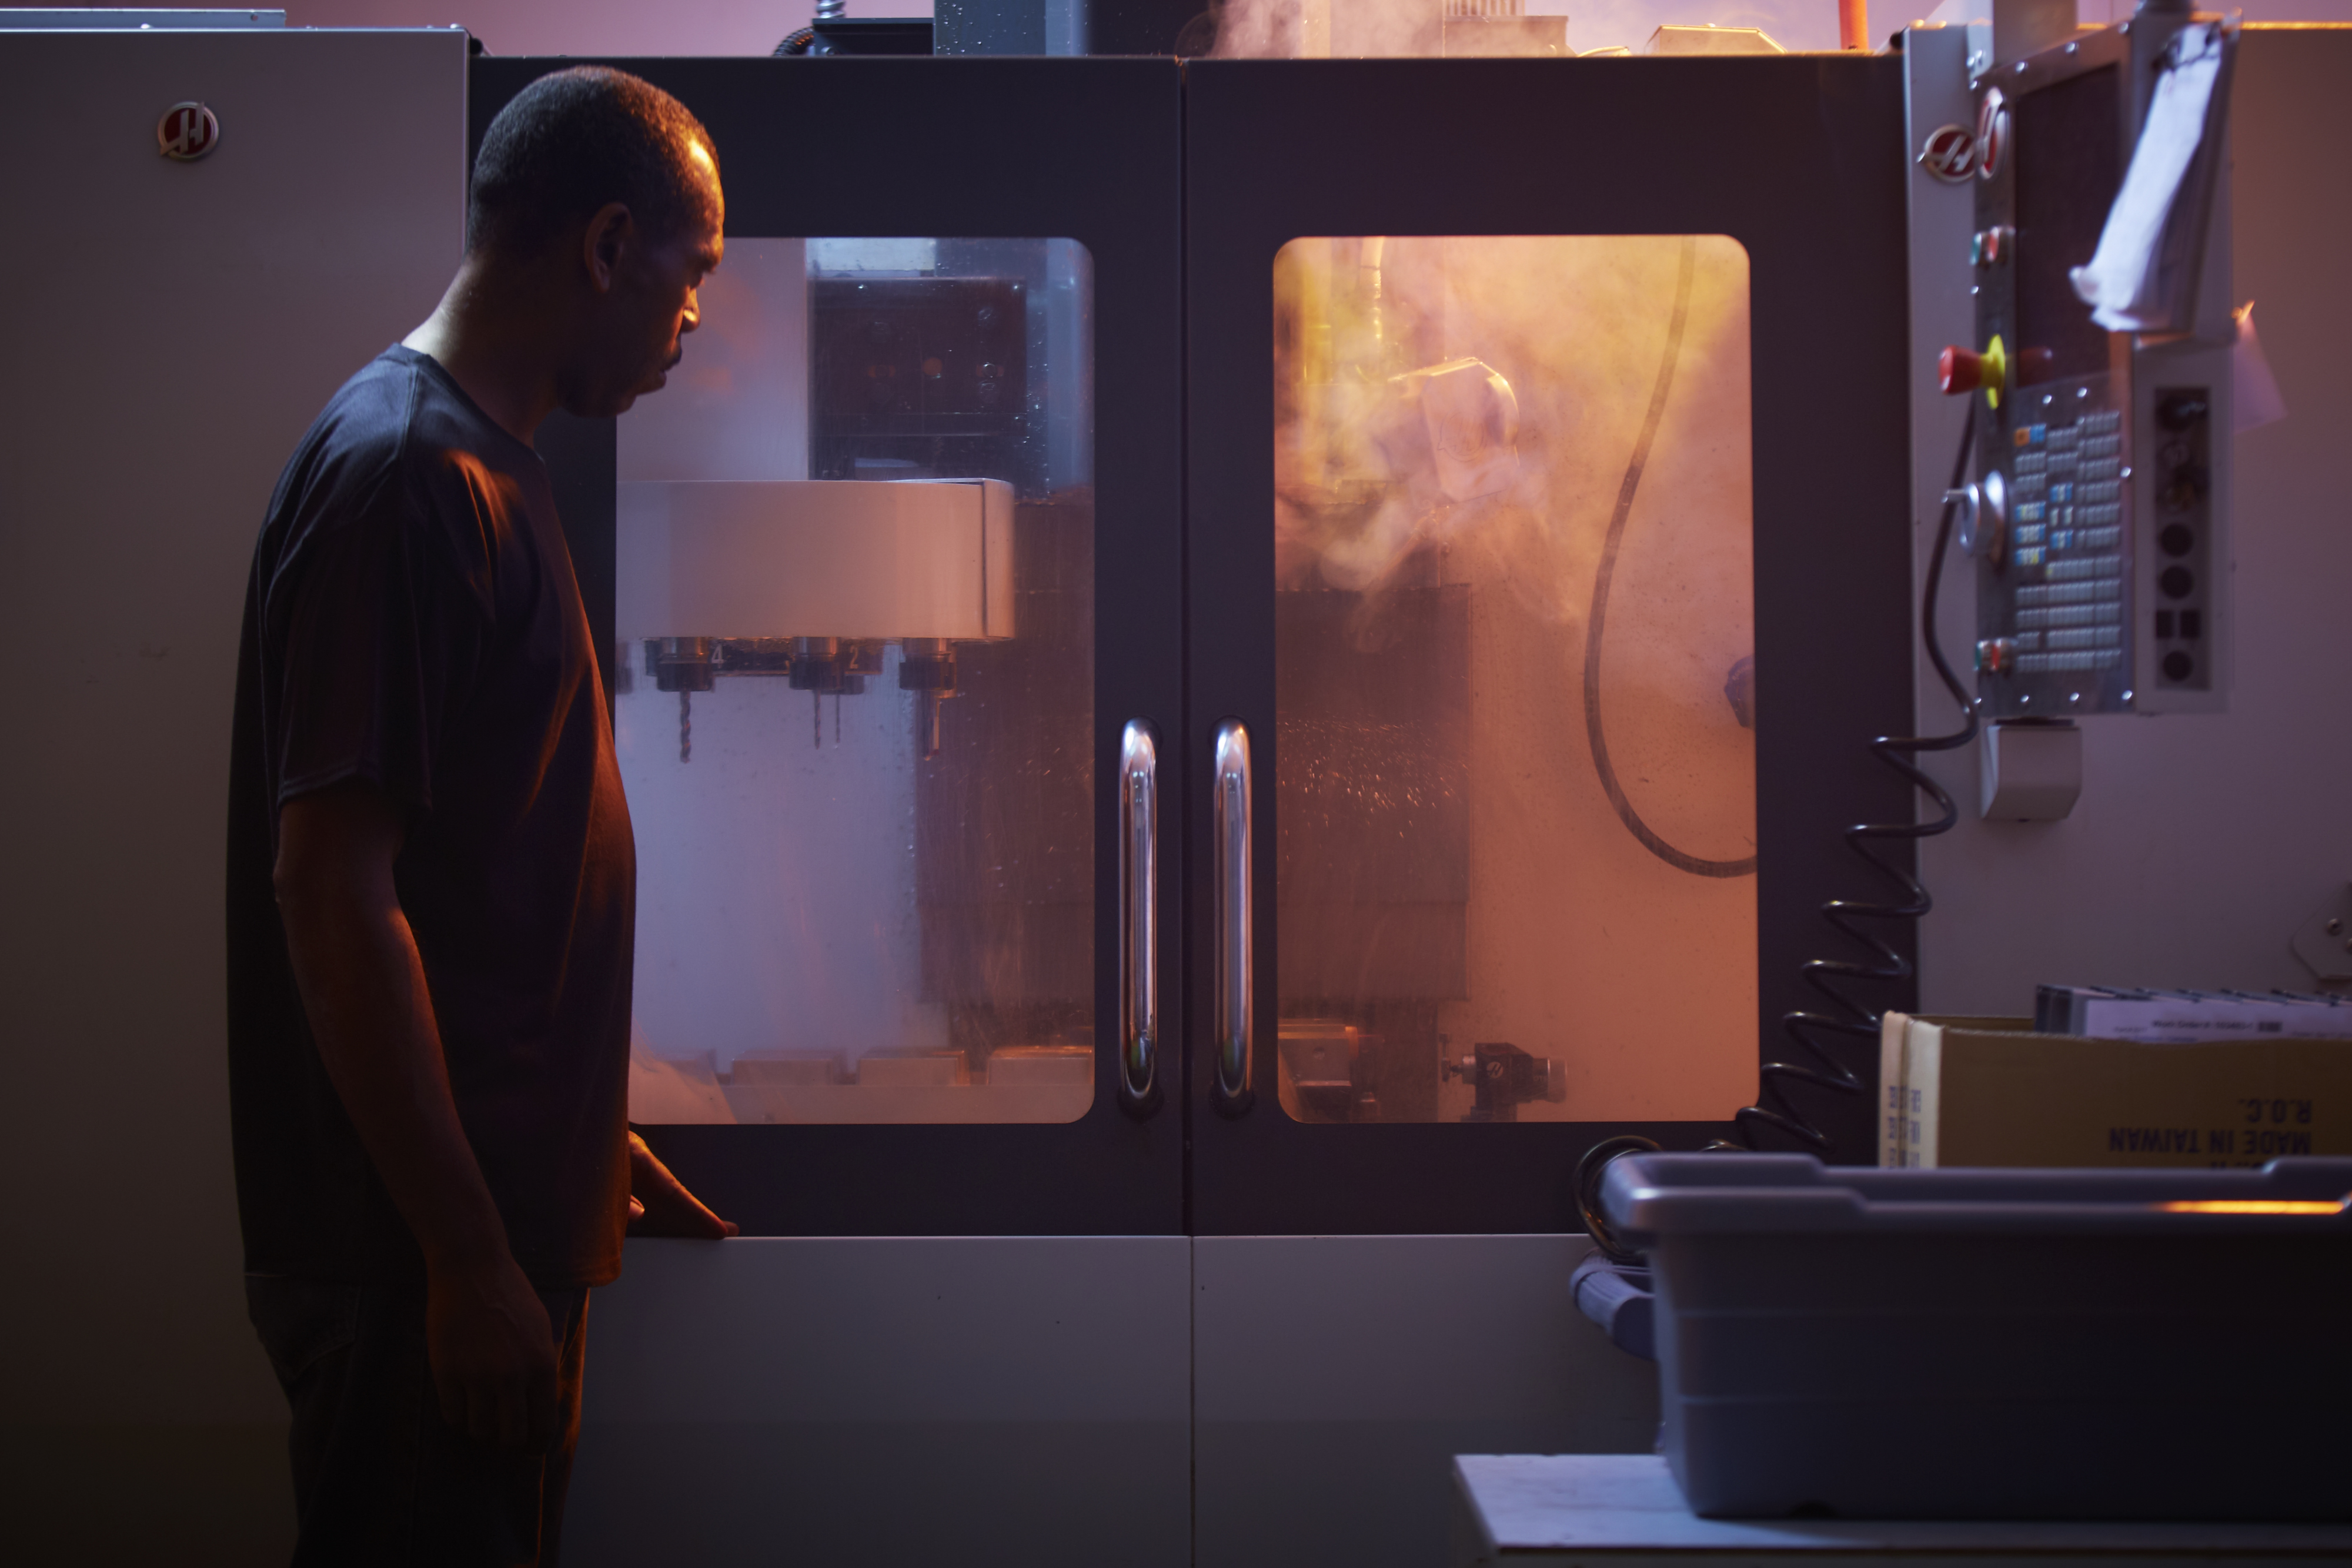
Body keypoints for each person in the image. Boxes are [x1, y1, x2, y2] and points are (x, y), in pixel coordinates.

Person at [225, 66, 734, 1566]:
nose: (693, 320)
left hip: (489, 1221)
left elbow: (469, 874)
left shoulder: (480, 465)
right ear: (602, 245)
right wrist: (461, 1246)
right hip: (413, 1270)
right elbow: (333, 891)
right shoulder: (404, 477)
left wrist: (571, 1131)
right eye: (688, 275)